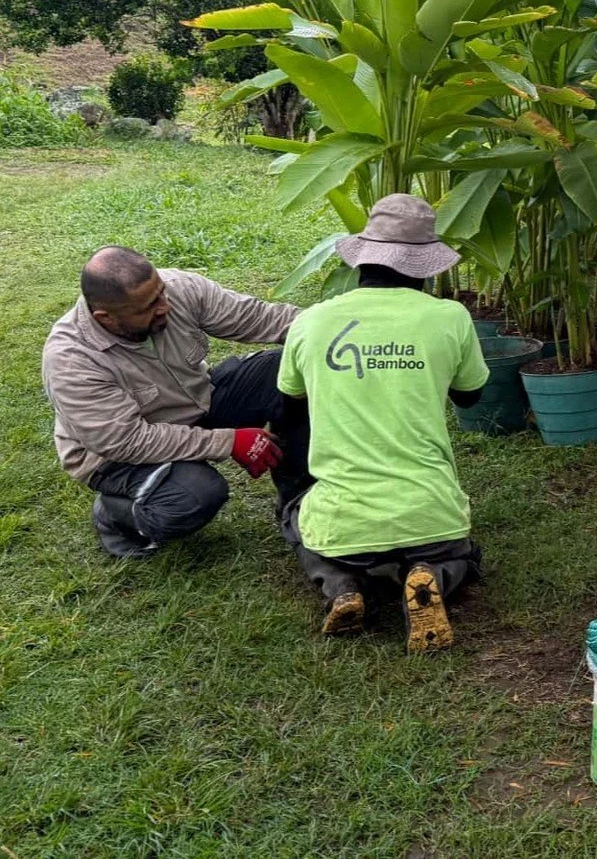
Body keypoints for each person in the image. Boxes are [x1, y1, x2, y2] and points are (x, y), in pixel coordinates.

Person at [276, 194, 489, 654]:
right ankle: (432, 576)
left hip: (343, 522)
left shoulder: (311, 322)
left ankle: (342, 587)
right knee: (461, 554)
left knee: (298, 519)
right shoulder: (449, 317)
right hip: (431, 512)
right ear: (427, 268)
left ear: (362, 259)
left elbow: (291, 396)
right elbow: (471, 396)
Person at [43, 247, 308, 558]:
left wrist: (334, 328)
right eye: (149, 306)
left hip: (195, 403)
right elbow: (127, 442)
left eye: (161, 293)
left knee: (289, 369)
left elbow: (259, 317)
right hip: (116, 455)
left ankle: (298, 498)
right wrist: (229, 441)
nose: (164, 306)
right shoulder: (71, 360)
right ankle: (115, 515)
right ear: (106, 317)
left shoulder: (178, 289)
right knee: (196, 496)